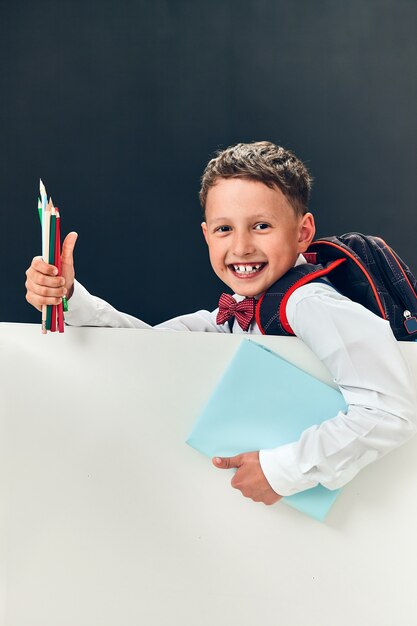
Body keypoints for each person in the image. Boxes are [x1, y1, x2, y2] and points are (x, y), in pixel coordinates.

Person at [25, 141, 417, 506]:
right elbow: (147, 346)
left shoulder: (308, 303)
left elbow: (389, 410)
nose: (241, 246)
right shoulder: (238, 311)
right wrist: (70, 296)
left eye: (261, 226)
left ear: (303, 233)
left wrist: (282, 471)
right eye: (224, 228)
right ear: (206, 235)